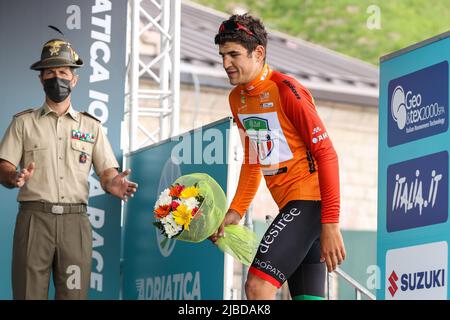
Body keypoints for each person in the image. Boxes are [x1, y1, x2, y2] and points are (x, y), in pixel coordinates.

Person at [210, 14, 346, 300]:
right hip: (292, 207)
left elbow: (327, 154)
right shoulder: (237, 99)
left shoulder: (286, 90)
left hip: (310, 203)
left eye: (233, 54)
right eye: (222, 55)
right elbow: (252, 159)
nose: (226, 64)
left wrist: (331, 223)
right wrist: (235, 210)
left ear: (258, 53)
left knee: (257, 287)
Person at [0, 38, 138, 300]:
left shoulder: (91, 126)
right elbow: (4, 165)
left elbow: (107, 171)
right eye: (50, 72)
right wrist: (12, 175)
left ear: (74, 80)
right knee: (28, 295)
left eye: (63, 72)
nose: (57, 78)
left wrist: (112, 183)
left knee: (73, 296)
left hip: (75, 223)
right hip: (34, 220)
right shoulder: (23, 123)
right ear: (41, 79)